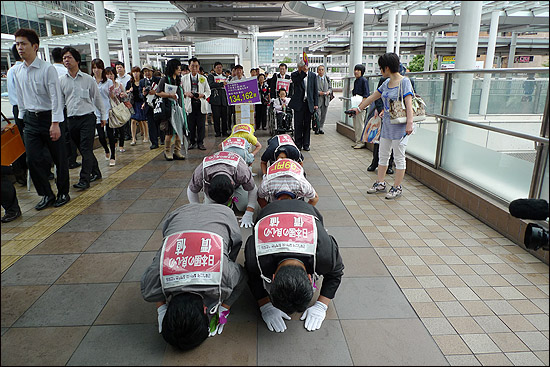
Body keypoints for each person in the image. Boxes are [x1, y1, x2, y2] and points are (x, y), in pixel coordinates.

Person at [140, 203, 248, 350]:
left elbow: (242, 276)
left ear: (205, 309)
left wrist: (224, 307)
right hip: (180, 213)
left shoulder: (224, 277)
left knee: (231, 248)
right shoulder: (152, 282)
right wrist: (161, 309)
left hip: (220, 214)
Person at [244, 199, 344, 332]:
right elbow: (252, 276)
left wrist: (321, 305)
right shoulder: (255, 257)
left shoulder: (325, 254)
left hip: (306, 212)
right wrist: (265, 305)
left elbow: (336, 273)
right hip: (270, 212)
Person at [13, 28, 70, 210]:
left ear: (35, 46)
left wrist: (55, 123)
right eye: (17, 44)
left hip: (50, 118)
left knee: (59, 158)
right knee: (32, 159)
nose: (20, 48)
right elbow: (21, 98)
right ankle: (46, 194)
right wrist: (21, 120)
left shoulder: (48, 69)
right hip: (30, 120)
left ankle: (63, 192)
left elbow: (56, 98)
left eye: (23, 44)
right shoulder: (17, 71)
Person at [352, 53, 415, 200]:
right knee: (383, 154)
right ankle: (380, 183)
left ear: (387, 67)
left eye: (381, 67)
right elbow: (373, 97)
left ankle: (397, 187)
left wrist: (409, 124)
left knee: (399, 157)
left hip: (400, 126)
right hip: (386, 124)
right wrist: (358, 109)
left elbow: (409, 103)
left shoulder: (404, 82)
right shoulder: (386, 83)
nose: (380, 70)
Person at [59, 46, 106, 190]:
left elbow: (97, 98)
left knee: (85, 149)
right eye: (64, 58)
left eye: (69, 57)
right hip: (71, 120)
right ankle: (96, 172)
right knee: (83, 149)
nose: (66, 60)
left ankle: (84, 179)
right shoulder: (61, 81)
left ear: (77, 60)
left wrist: (103, 116)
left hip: (87, 118)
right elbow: (60, 103)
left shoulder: (87, 79)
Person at [187, 151, 258, 228]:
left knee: (243, 206)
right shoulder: (201, 172)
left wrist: (249, 212)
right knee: (210, 212)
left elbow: (253, 189)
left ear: (232, 183)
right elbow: (191, 190)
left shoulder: (242, 171)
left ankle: (234, 200)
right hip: (216, 174)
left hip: (236, 179)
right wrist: (197, 210)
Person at [155, 58, 186, 161]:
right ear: (173, 68)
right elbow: (158, 92)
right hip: (168, 109)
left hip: (178, 109)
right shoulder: (164, 79)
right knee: (169, 132)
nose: (180, 70)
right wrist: (170, 95)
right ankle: (167, 151)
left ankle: (177, 151)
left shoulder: (178, 79)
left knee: (178, 131)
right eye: (178, 68)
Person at [6, 44, 28, 185]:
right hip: (25, 108)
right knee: (31, 140)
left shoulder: (10, 70)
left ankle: (20, 173)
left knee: (19, 141)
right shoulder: (21, 69)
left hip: (16, 108)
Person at [366, 76, 394, 175]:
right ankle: (374, 162)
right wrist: (380, 108)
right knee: (378, 140)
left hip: (396, 117)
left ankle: (390, 165)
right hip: (383, 115)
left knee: (393, 142)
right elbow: (377, 97)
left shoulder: (404, 80)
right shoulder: (384, 79)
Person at [289, 58, 318, 151]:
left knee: (307, 125)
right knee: (298, 124)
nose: (302, 68)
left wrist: (315, 104)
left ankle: (306, 144)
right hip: (299, 104)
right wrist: (303, 73)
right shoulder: (295, 75)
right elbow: (296, 82)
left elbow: (315, 90)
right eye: (300, 67)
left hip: (308, 103)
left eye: (304, 67)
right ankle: (298, 144)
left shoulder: (313, 76)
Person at [182, 57, 211, 151]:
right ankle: (192, 142)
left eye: (196, 66)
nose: (194, 68)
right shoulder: (184, 78)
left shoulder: (203, 78)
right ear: (189, 67)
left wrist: (202, 95)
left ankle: (200, 142)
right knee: (191, 125)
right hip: (189, 104)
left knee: (201, 125)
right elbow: (180, 91)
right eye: (192, 66)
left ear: (199, 67)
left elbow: (208, 91)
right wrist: (186, 93)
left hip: (200, 103)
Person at [91, 58, 113, 165]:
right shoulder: (90, 80)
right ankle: (106, 149)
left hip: (108, 110)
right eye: (94, 68)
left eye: (98, 67)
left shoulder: (108, 82)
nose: (96, 70)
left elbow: (111, 96)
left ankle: (113, 155)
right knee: (101, 136)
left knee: (110, 134)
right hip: (96, 112)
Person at [105, 66, 127, 155]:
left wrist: (123, 95)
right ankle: (114, 144)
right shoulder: (104, 85)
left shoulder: (119, 84)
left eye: (111, 74)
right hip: (109, 110)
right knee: (110, 128)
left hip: (118, 109)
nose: (110, 76)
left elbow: (124, 94)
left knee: (121, 128)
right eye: (108, 74)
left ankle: (121, 145)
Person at [139, 63, 162, 149]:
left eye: (148, 71)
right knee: (151, 124)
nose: (147, 73)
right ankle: (154, 142)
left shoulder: (158, 80)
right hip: (148, 105)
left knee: (159, 122)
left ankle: (162, 138)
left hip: (158, 104)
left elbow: (163, 90)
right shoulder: (142, 82)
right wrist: (143, 93)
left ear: (152, 71)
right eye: (145, 71)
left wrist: (155, 93)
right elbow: (140, 95)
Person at [126, 66, 149, 146]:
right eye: (134, 72)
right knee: (133, 120)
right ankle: (133, 138)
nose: (135, 74)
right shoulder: (130, 83)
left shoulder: (143, 82)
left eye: (137, 72)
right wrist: (129, 90)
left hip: (142, 102)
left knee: (143, 120)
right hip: (133, 103)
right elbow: (126, 92)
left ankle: (146, 136)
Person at [207, 61, 229, 137]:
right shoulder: (211, 76)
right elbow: (210, 85)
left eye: (220, 67)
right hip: (215, 99)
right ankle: (217, 132)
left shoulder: (225, 77)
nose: (219, 69)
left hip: (224, 99)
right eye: (217, 68)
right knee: (216, 117)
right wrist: (221, 84)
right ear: (214, 68)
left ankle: (224, 131)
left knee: (224, 117)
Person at [351, 64, 370, 149]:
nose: (356, 72)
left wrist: (361, 105)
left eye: (358, 70)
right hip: (355, 105)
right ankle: (357, 141)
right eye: (355, 70)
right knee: (356, 124)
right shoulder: (356, 81)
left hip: (361, 106)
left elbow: (366, 95)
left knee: (360, 124)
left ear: (362, 72)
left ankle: (361, 142)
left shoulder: (364, 80)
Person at [115, 61, 132, 141]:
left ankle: (128, 134)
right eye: (117, 67)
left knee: (127, 116)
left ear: (124, 68)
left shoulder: (128, 77)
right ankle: (122, 134)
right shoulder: (116, 78)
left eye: (120, 67)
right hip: (118, 101)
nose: (119, 69)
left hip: (127, 99)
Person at [316, 65, 332, 135]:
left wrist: (329, 91)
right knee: (318, 115)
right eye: (319, 70)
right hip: (318, 99)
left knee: (323, 115)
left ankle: (321, 127)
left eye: (322, 70)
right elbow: (312, 89)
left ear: (324, 70)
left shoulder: (327, 79)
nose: (321, 71)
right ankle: (317, 128)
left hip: (325, 100)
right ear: (317, 71)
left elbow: (330, 88)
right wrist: (319, 92)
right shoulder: (315, 79)